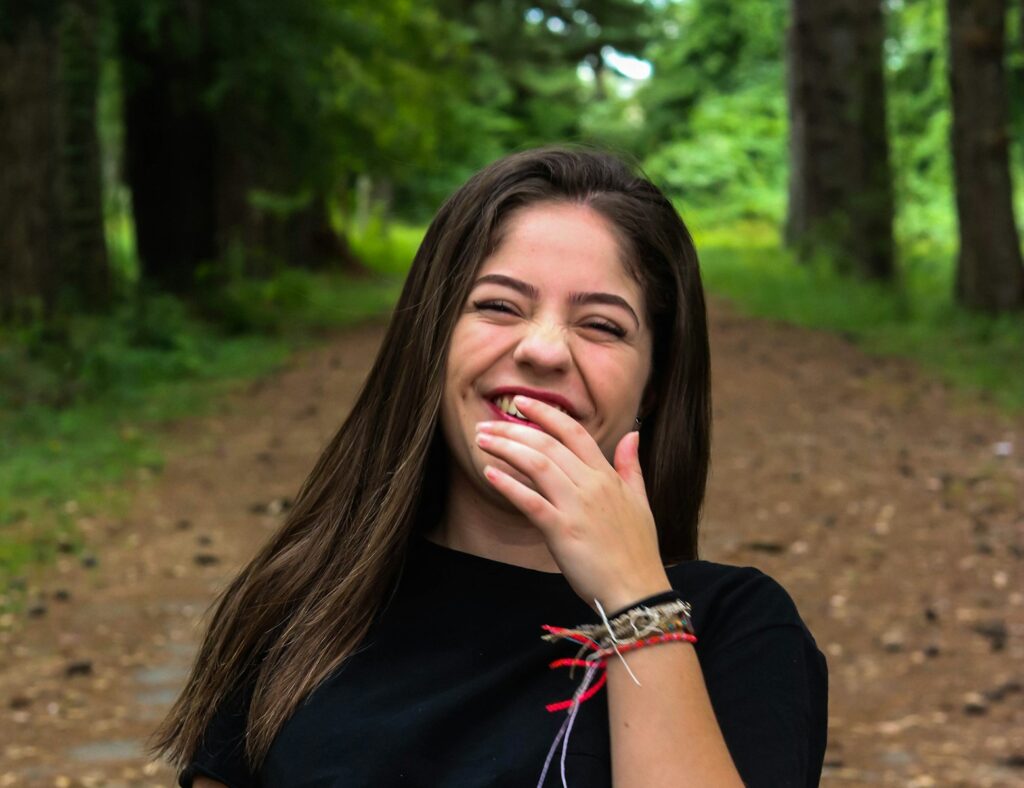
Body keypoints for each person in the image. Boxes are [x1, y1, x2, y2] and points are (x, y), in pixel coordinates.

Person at [152, 146, 828, 787]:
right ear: (433, 339)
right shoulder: (303, 606)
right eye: (499, 306)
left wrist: (635, 600)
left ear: (654, 384)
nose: (542, 350)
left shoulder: (736, 629)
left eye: (601, 325)